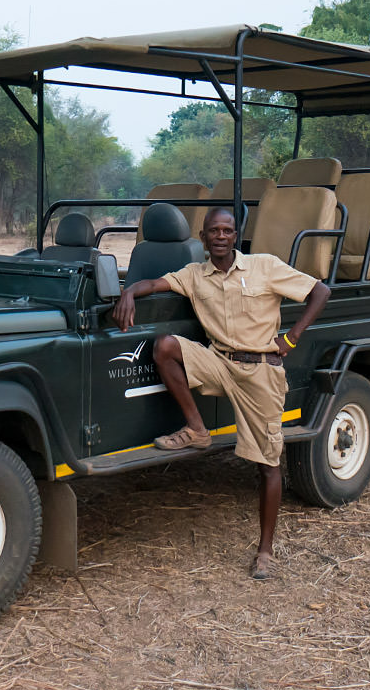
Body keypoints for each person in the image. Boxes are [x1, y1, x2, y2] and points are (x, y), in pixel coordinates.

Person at [111, 207, 331, 579]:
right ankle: (197, 430)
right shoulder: (195, 275)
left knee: (267, 464)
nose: (220, 237)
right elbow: (156, 285)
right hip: (218, 362)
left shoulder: (264, 266)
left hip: (260, 370)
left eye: (227, 231)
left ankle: (265, 551)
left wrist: (292, 338)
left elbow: (321, 292)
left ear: (236, 236)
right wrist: (130, 290)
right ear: (203, 237)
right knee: (164, 346)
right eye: (213, 231)